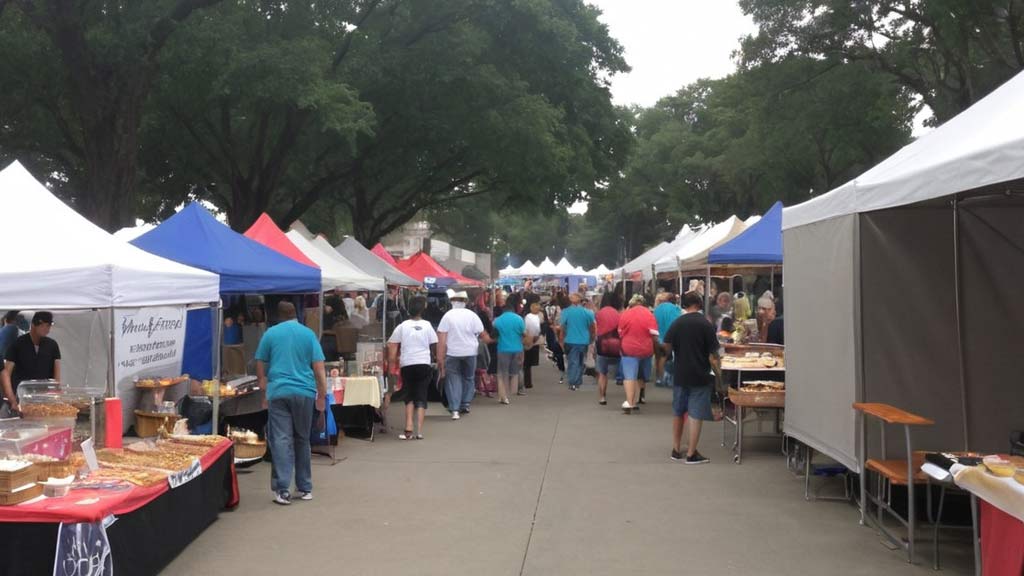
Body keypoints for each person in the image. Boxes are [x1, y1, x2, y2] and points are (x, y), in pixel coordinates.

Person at [255, 302, 327, 505]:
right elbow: (318, 367)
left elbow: (261, 361)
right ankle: (304, 487)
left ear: (278, 315)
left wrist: (263, 384)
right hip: (304, 391)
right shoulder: (308, 334)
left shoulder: (270, 334)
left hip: (278, 391)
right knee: (302, 438)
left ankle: (282, 488)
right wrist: (321, 394)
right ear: (297, 314)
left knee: (281, 439)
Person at [663, 291, 721, 464]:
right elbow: (713, 354)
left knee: (678, 411)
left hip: (680, 373)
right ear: (699, 303)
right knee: (695, 414)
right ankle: (691, 453)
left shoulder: (677, 323)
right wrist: (718, 374)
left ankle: (675, 448)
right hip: (700, 374)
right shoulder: (705, 324)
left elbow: (666, 346)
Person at [387, 296, 437, 439]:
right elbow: (434, 344)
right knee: (421, 396)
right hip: (424, 363)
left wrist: (391, 365)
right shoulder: (427, 325)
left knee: (409, 395)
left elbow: (392, 345)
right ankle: (419, 431)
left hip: (407, 364)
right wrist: (436, 359)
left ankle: (408, 428)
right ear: (423, 309)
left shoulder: (402, 326)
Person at [437, 290, 492, 419]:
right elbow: (483, 335)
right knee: (468, 377)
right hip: (470, 352)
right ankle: (465, 403)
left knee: (453, 379)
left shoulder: (448, 316)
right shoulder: (472, 315)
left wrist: (440, 357)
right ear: (466, 302)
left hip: (453, 352)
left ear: (451, 301)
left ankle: (455, 409)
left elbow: (442, 339)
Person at [1, 312, 61, 414]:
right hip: (22, 396)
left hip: (45, 397)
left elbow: (57, 374)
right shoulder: (17, 345)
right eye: (42, 325)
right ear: (33, 324)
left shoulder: (52, 345)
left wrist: (56, 394)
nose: (46, 329)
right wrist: (12, 400)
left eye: (48, 325)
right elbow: (6, 373)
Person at [617, 295, 658, 414]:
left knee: (629, 376)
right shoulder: (649, 314)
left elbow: (620, 332)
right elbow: (654, 334)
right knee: (642, 374)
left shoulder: (626, 314)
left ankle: (630, 402)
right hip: (646, 348)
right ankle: (641, 396)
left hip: (628, 348)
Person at [492, 295, 527, 404]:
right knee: (516, 371)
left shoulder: (497, 320)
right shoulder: (519, 319)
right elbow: (524, 334)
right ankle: (515, 389)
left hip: (503, 349)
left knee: (502, 373)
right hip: (517, 348)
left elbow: (494, 336)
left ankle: (503, 396)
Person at [559, 292, 595, 391]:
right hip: (584, 340)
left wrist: (561, 339)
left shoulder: (566, 312)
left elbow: (562, 327)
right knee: (581, 361)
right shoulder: (588, 312)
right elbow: (592, 327)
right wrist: (592, 337)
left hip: (570, 340)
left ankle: (573, 382)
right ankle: (578, 380)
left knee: (572, 361)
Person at [594, 292, 623, 406]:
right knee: (621, 366)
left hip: (602, 344)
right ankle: (620, 380)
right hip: (616, 344)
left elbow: (596, 329)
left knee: (602, 373)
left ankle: (602, 397)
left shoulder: (599, 313)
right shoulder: (618, 313)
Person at [654, 293, 681, 388]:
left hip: (657, 337)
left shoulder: (657, 309)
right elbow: (677, 322)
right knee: (666, 357)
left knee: (659, 358)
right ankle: (667, 378)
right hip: (669, 337)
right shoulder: (676, 309)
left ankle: (659, 378)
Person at [522, 296, 544, 394]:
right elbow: (539, 329)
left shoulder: (528, 317)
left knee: (526, 363)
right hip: (535, 340)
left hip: (528, 339)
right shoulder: (539, 316)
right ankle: (528, 382)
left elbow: (526, 328)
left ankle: (526, 382)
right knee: (528, 364)